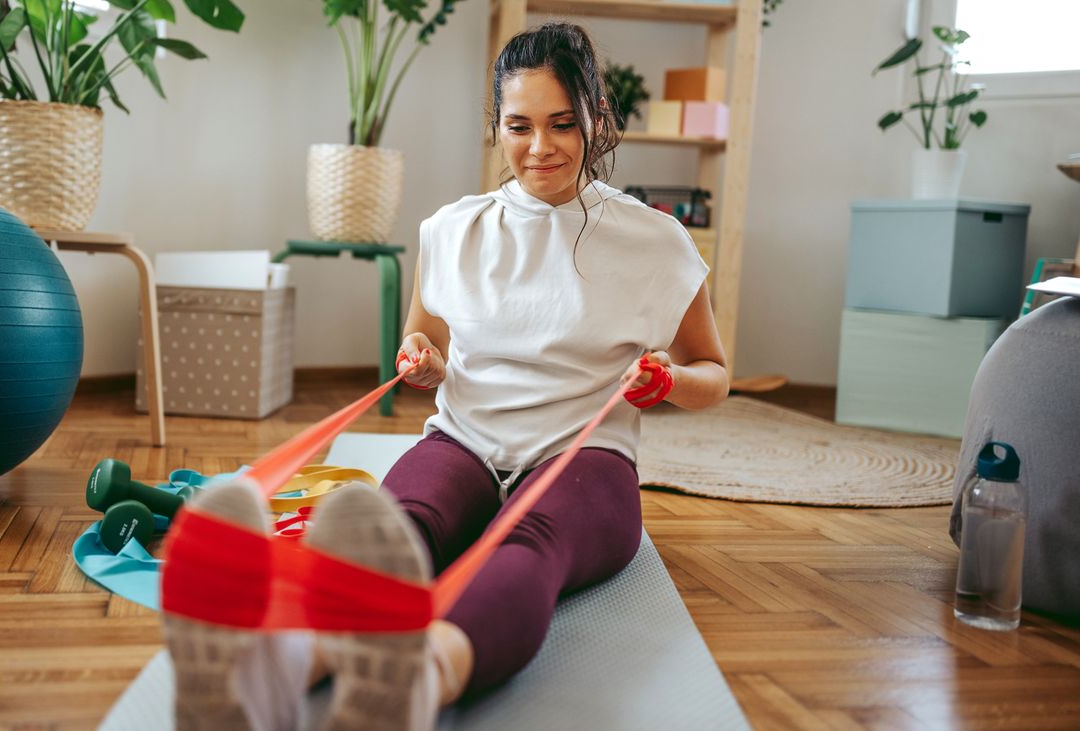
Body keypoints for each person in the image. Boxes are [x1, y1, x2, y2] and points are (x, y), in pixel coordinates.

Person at [163, 21, 729, 731]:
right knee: (400, 528)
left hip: (585, 458)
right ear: (496, 126)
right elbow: (423, 339)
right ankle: (279, 669)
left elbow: (715, 371)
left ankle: (418, 680)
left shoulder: (655, 239)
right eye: (519, 125)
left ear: (597, 116)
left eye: (562, 123)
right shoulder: (453, 229)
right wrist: (421, 361)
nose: (540, 146)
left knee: (528, 548)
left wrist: (671, 380)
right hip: (466, 438)